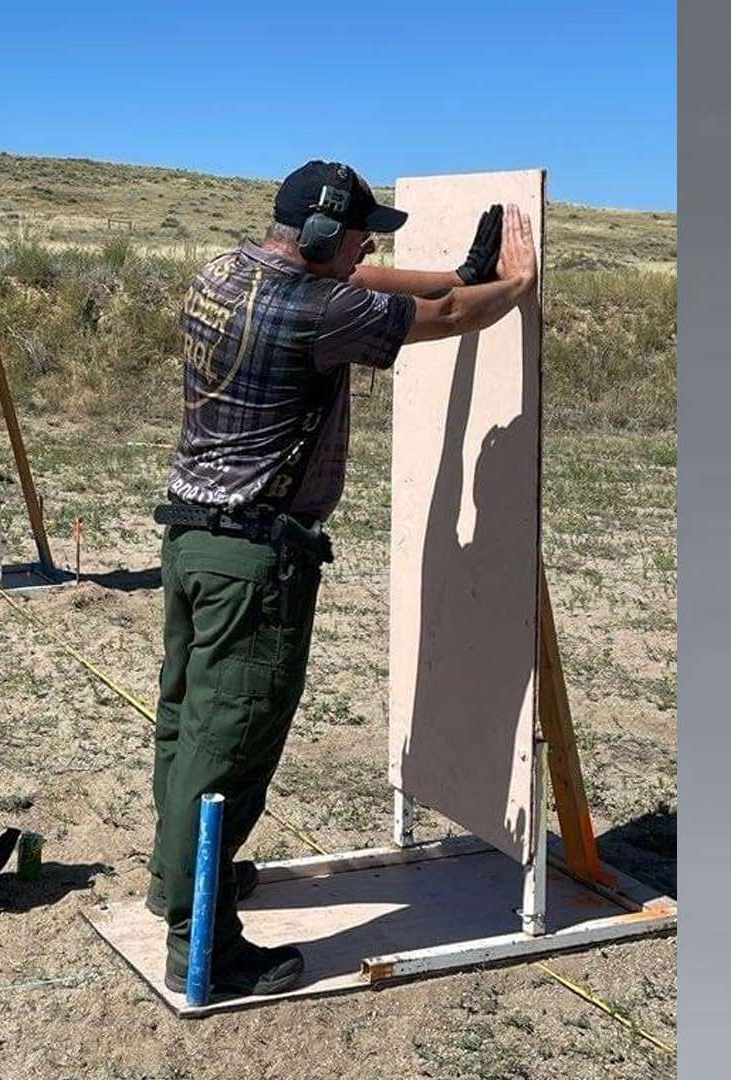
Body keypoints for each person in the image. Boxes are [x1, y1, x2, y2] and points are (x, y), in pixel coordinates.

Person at [146, 160, 539, 998]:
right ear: (321, 235)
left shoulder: (224, 271)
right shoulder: (315, 313)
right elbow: (438, 316)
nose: (365, 245)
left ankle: (175, 881)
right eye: (357, 232)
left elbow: (375, 280)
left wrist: (457, 271)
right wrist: (505, 287)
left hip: (191, 541)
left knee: (186, 728)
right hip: (254, 558)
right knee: (231, 745)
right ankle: (201, 943)